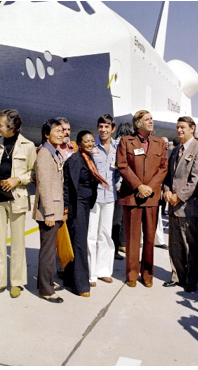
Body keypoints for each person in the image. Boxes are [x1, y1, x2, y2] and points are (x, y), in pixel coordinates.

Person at [0, 109, 36, 299]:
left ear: (12, 127)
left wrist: (17, 180)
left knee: (17, 243)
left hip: (17, 199)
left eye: (0, 124)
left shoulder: (28, 146)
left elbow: (32, 172)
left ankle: (16, 282)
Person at [117, 110, 168, 288]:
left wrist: (149, 188)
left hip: (151, 197)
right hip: (132, 196)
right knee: (132, 238)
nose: (151, 122)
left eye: (151, 119)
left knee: (149, 238)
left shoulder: (159, 143)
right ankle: (131, 274)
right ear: (138, 123)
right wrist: (139, 186)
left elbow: (163, 168)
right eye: (147, 119)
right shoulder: (126, 141)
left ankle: (147, 274)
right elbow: (122, 166)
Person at [162, 117, 198, 293]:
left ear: (192, 129)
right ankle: (177, 275)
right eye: (177, 127)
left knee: (190, 244)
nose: (179, 130)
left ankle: (191, 279)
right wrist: (166, 190)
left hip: (188, 205)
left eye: (182, 127)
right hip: (173, 204)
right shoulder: (176, 150)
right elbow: (169, 176)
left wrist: (179, 196)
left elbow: (196, 179)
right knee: (174, 243)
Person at [62, 130, 108, 297]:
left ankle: (70, 278)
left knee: (78, 240)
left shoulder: (88, 158)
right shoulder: (75, 160)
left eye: (91, 141)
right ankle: (81, 285)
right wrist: (66, 208)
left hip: (85, 203)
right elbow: (67, 186)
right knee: (80, 243)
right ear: (79, 143)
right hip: (77, 205)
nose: (90, 144)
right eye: (86, 141)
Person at [33, 119, 68, 303]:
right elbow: (44, 185)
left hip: (54, 209)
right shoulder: (46, 154)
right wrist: (48, 213)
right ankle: (46, 290)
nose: (61, 134)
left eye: (62, 131)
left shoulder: (53, 152)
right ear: (47, 134)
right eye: (57, 131)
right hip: (49, 211)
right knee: (48, 252)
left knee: (48, 250)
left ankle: (44, 282)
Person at [87, 115, 120, 284]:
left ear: (112, 129)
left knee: (106, 234)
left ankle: (103, 270)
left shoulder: (117, 147)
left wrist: (119, 182)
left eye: (107, 127)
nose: (103, 130)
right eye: (100, 126)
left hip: (110, 197)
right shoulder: (91, 146)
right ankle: (91, 273)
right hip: (94, 196)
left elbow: (121, 169)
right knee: (91, 235)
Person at [111, 121, 135, 260]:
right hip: (120, 186)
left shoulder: (116, 143)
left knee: (119, 218)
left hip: (119, 186)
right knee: (118, 219)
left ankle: (120, 243)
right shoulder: (122, 145)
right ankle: (116, 247)